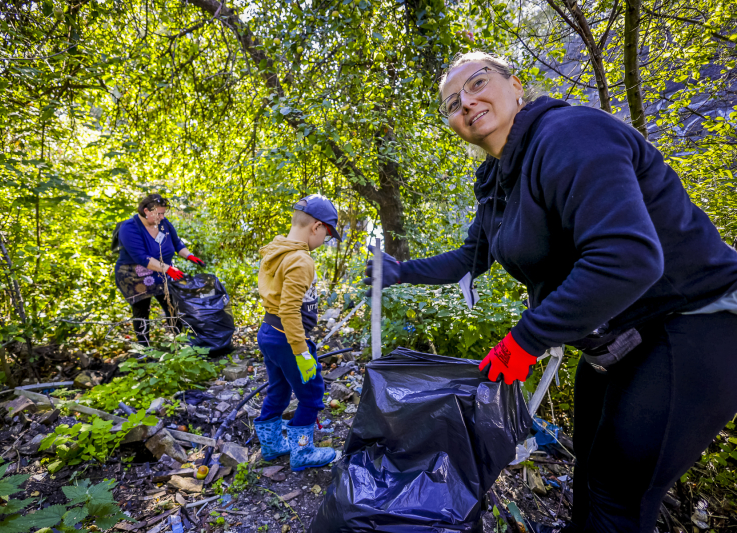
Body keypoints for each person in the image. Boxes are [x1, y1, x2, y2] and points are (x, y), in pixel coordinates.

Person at [364, 51, 737, 533]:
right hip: (614, 339)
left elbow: (629, 257)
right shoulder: (498, 180)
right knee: (591, 470)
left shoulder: (569, 134)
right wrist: (397, 272)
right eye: (453, 103)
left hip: (692, 322)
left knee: (619, 495)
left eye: (478, 83)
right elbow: (471, 258)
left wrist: (526, 339)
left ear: (515, 85)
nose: (467, 102)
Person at [253, 194, 341, 471]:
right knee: (312, 393)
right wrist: (302, 352)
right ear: (315, 226)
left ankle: (271, 446)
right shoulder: (301, 260)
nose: (324, 241)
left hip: (269, 332)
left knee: (278, 388)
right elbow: (290, 311)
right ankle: (302, 453)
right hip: (287, 336)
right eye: (326, 234)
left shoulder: (276, 250)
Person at [115, 193, 206, 346]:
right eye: (159, 213)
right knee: (142, 312)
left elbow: (177, 243)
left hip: (160, 272)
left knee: (172, 306)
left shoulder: (163, 224)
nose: (162, 217)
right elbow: (141, 258)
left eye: (163, 213)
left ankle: (183, 344)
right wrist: (169, 269)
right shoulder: (129, 228)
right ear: (146, 211)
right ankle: (145, 350)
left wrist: (189, 256)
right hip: (135, 276)